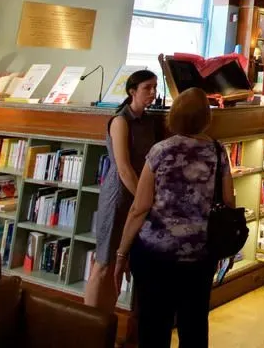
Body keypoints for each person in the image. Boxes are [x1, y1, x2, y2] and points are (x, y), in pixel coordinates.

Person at [114, 88, 234, 348]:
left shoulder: (160, 151)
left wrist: (122, 253)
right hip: (200, 254)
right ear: (206, 117)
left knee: (153, 327)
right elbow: (228, 202)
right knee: (194, 327)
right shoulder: (217, 151)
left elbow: (140, 207)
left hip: (155, 254)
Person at [85, 69, 159, 310]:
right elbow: (123, 168)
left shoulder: (149, 121)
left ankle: (109, 316)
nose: (152, 93)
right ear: (132, 91)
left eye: (155, 87)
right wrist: (144, 199)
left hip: (139, 195)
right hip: (119, 194)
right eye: (147, 88)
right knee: (105, 259)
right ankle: (89, 319)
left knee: (123, 260)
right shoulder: (120, 121)